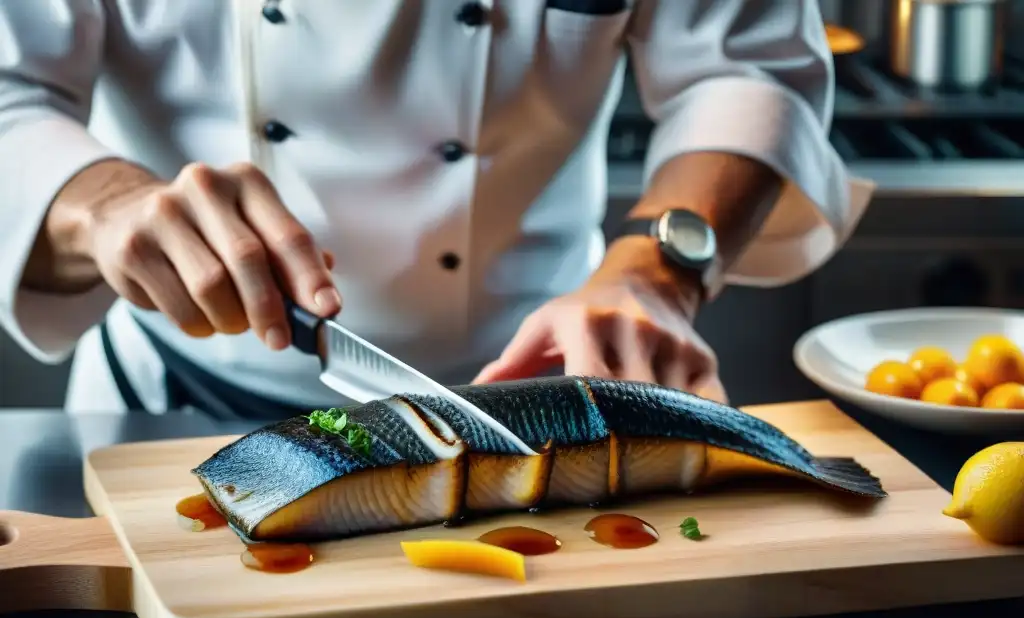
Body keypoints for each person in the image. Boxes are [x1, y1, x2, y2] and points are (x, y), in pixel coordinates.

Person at [0, 1, 872, 421]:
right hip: (169, 410)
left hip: (537, 394)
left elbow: (744, 69)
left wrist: (655, 271)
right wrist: (105, 205)